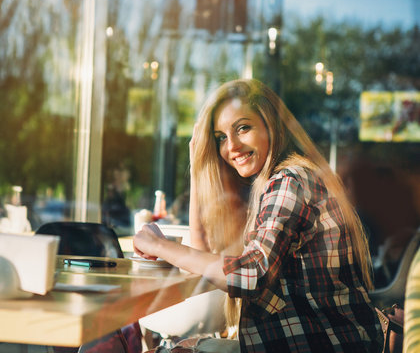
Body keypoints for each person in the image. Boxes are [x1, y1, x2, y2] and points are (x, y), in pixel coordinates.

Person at [133, 79, 383, 352]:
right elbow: (205, 255)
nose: (232, 147)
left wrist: (159, 246)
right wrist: (198, 169)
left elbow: (250, 275)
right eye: (221, 138)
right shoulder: (270, 189)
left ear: (270, 125)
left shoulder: (291, 181)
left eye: (243, 128)